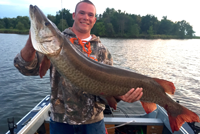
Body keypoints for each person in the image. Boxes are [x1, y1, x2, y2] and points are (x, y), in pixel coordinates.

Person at [14, 0, 143, 134]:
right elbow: (25, 68)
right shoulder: (54, 43)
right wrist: (32, 39)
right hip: (61, 121)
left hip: (93, 123)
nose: (86, 17)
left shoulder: (102, 51)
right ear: (74, 15)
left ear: (94, 20)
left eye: (90, 15)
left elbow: (103, 95)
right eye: (82, 13)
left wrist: (120, 96)